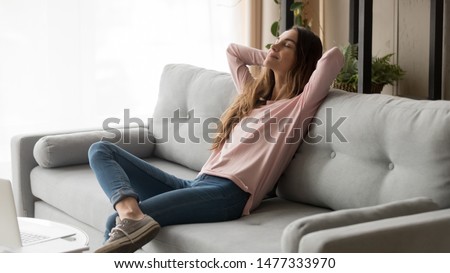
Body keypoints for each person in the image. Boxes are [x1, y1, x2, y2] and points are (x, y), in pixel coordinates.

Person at [88, 26, 344, 253]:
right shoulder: (253, 96)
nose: (274, 45)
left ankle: (130, 219)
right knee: (101, 150)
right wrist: (269, 57)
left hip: (230, 194)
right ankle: (131, 213)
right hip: (197, 184)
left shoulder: (299, 106)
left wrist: (276, 58)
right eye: (275, 40)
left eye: (287, 45)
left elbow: (334, 57)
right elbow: (233, 52)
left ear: (303, 59)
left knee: (115, 223)